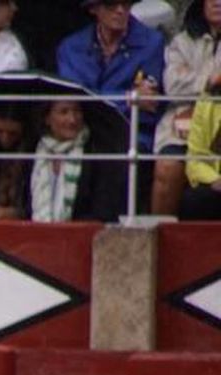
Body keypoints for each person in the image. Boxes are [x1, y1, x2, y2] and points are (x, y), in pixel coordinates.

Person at [55, 0, 165, 158]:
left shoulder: (152, 43)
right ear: (94, 8)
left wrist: (96, 98)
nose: (120, 10)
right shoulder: (70, 48)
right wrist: (127, 98)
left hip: (131, 132)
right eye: (111, 4)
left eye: (126, 3)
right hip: (80, 129)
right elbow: (76, 99)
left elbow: (147, 105)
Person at [151, 0, 221, 215]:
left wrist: (192, 79)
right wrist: (210, 81)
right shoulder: (181, 42)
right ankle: (158, 232)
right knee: (168, 167)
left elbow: (184, 83)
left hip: (217, 127)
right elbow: (173, 85)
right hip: (181, 126)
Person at [27, 97, 122, 221]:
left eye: (77, 111)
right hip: (36, 230)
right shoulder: (32, 152)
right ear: (47, 119)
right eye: (64, 112)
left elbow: (103, 209)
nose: (72, 120)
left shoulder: (96, 153)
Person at [177, 80, 221, 219]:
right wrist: (214, 179)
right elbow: (194, 157)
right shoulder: (208, 99)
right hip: (217, 178)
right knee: (194, 201)